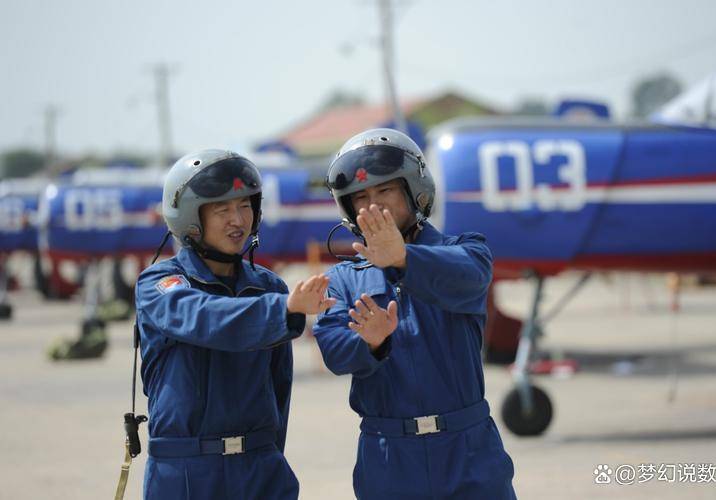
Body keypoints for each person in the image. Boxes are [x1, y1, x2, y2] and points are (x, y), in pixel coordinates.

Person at [313, 129, 516, 499]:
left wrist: (404, 259)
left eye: (385, 191)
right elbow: (334, 353)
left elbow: (469, 280)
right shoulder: (342, 279)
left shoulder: (467, 250)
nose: (373, 207)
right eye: (360, 197)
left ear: (414, 189)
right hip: (389, 457)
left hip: (468, 450)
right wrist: (370, 343)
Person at [135, 149, 335, 499]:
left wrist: (268, 456)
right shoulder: (160, 285)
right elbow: (205, 318)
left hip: (259, 469)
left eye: (245, 206)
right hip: (185, 474)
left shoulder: (269, 287)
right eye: (222, 209)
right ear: (189, 217)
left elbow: (279, 388)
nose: (237, 220)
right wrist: (283, 309)